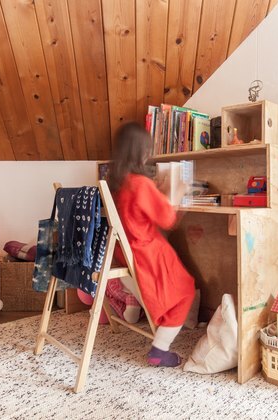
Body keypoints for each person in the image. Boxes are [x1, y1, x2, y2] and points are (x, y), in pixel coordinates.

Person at [108, 122, 196, 367]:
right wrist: (177, 193)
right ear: (141, 152)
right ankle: (159, 349)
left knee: (176, 286)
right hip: (145, 252)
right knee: (185, 289)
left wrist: (160, 192)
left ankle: (156, 323)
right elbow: (167, 219)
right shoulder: (140, 184)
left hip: (125, 253)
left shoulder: (121, 183)